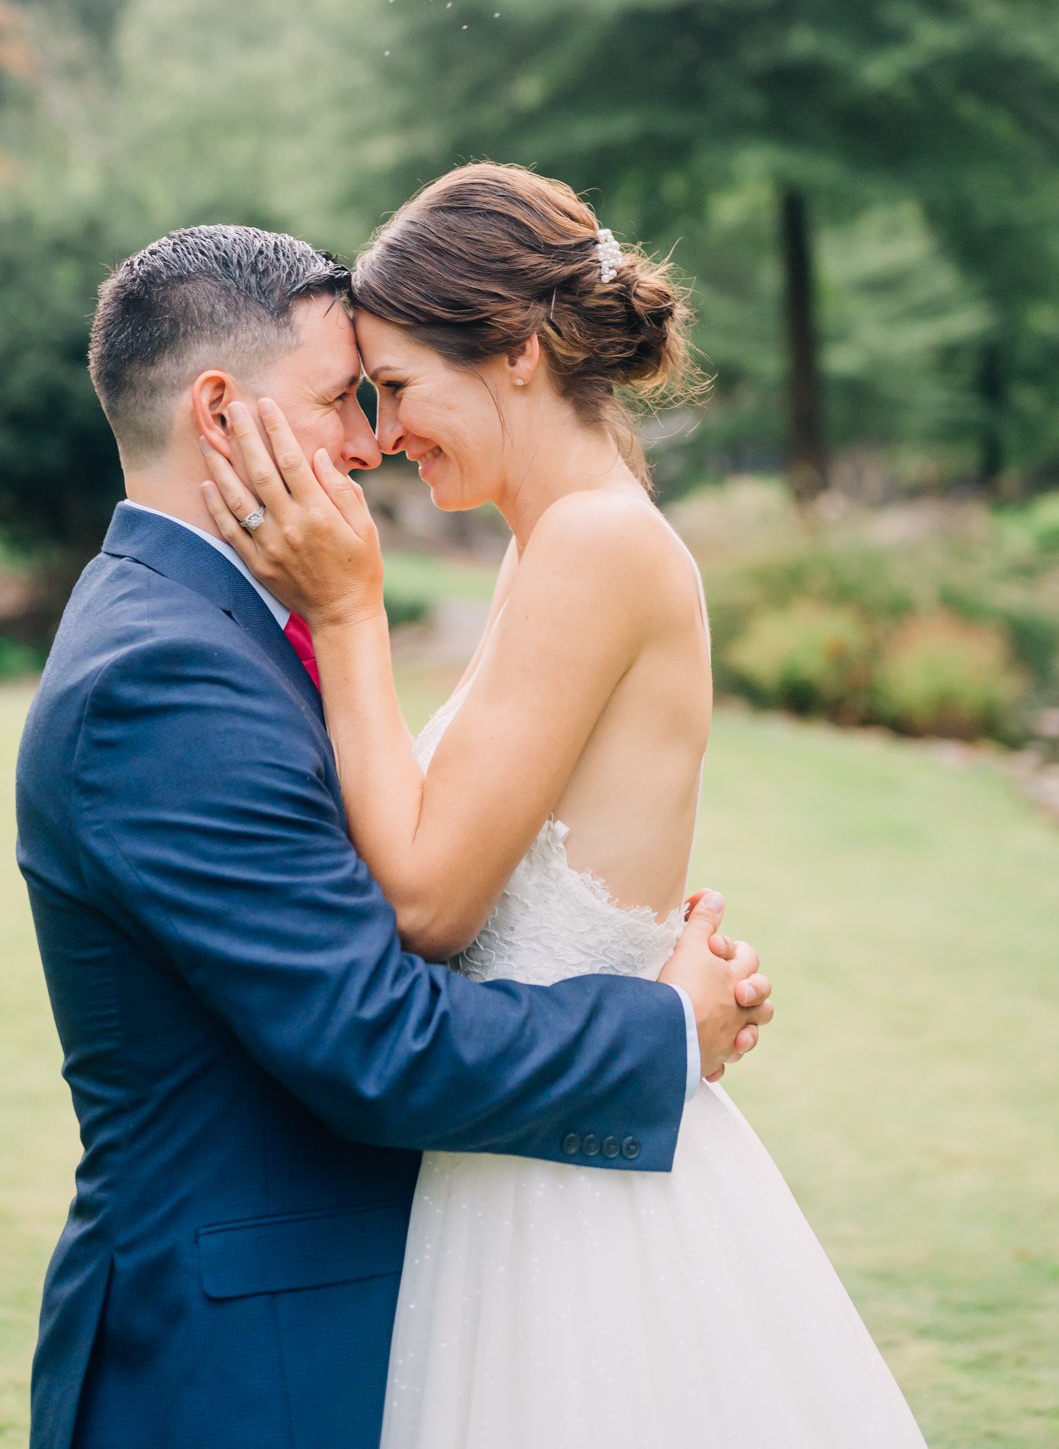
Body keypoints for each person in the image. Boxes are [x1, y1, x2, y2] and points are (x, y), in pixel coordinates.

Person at [201, 165, 929, 1449]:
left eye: (402, 385)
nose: (384, 431)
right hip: (525, 1149)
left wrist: (347, 609)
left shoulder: (595, 543)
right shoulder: (556, 544)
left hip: (567, 1208)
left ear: (521, 351)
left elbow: (428, 901)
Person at [15, 221, 772, 1449]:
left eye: (386, 393)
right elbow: (376, 1040)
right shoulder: (162, 677)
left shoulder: (218, 629)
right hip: (242, 1360)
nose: (371, 440)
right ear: (221, 413)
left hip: (385, 1295)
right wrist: (661, 1025)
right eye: (340, 398)